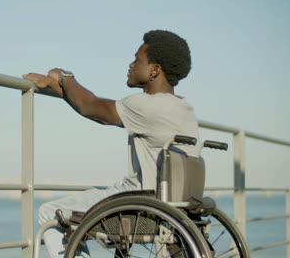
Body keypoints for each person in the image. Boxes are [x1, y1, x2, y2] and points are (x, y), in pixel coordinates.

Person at [23, 30, 200, 258]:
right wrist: (57, 87)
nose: (130, 64)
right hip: (173, 206)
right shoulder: (181, 108)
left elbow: (91, 106)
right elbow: (90, 104)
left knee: (50, 212)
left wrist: (65, 76)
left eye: (137, 59)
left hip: (142, 207)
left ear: (154, 70)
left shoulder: (147, 106)